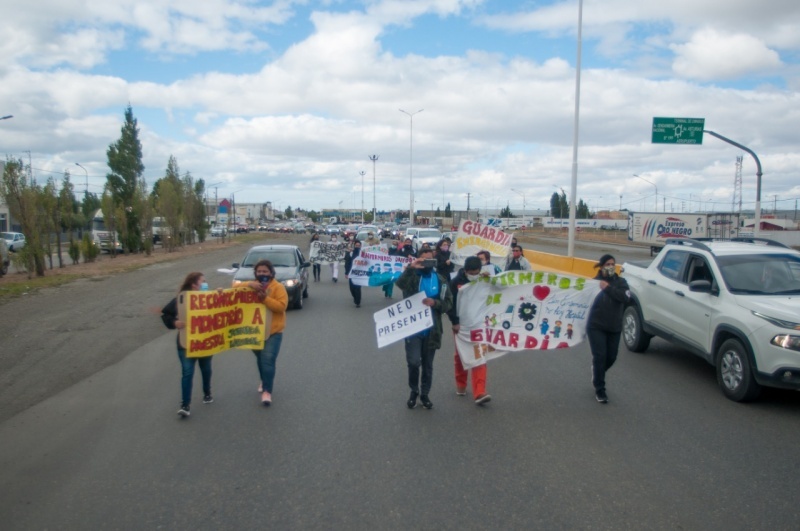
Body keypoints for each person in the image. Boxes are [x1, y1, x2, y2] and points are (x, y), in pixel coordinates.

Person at [395, 247, 453, 410]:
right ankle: (414, 390)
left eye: (430, 260)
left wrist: (435, 303)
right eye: (424, 260)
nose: (427, 263)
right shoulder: (412, 277)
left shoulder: (440, 279)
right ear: (419, 259)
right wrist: (411, 268)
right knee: (414, 362)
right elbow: (399, 284)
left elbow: (448, 302)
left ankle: (425, 393)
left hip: (432, 329)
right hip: (413, 328)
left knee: (428, 364)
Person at [160, 272, 213, 418]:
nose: (205, 284)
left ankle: (207, 392)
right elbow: (166, 314)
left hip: (205, 342)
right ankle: (185, 404)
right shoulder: (181, 299)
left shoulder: (210, 298)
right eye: (202, 281)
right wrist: (174, 323)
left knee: (206, 369)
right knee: (187, 372)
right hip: (186, 343)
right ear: (193, 284)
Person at [587, 254, 631, 404]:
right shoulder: (593, 284)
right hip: (596, 326)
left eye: (613, 264)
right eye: (607, 264)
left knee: (611, 357)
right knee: (600, 356)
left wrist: (608, 288)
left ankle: (598, 372)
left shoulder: (621, 282)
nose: (611, 266)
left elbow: (625, 297)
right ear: (601, 266)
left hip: (614, 326)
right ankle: (600, 389)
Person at [447, 256, 491, 405]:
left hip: (479, 324)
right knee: (461, 356)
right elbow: (450, 303)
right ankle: (461, 384)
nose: (474, 274)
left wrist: (489, 278)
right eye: (471, 272)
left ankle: (480, 392)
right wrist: (454, 321)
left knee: (480, 355)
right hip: (461, 326)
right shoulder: (455, 283)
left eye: (476, 272)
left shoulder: (484, 280)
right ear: (465, 270)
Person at [246, 259, 289, 406]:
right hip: (255, 331)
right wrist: (248, 285)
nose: (262, 274)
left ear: (271, 273)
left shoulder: (278, 288)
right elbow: (234, 288)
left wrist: (265, 299)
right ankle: (264, 379)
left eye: (265, 271)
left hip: (273, 331)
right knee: (260, 358)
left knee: (268, 359)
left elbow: (281, 307)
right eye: (259, 271)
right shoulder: (251, 286)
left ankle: (267, 391)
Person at [344, 240, 363, 307]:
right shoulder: (351, 253)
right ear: (354, 246)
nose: (357, 247)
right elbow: (347, 263)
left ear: (361, 246)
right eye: (356, 245)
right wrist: (346, 273)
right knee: (352, 288)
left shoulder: (363, 254)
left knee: (357, 288)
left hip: (360, 273)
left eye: (359, 245)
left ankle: (358, 302)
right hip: (351, 273)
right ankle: (355, 297)